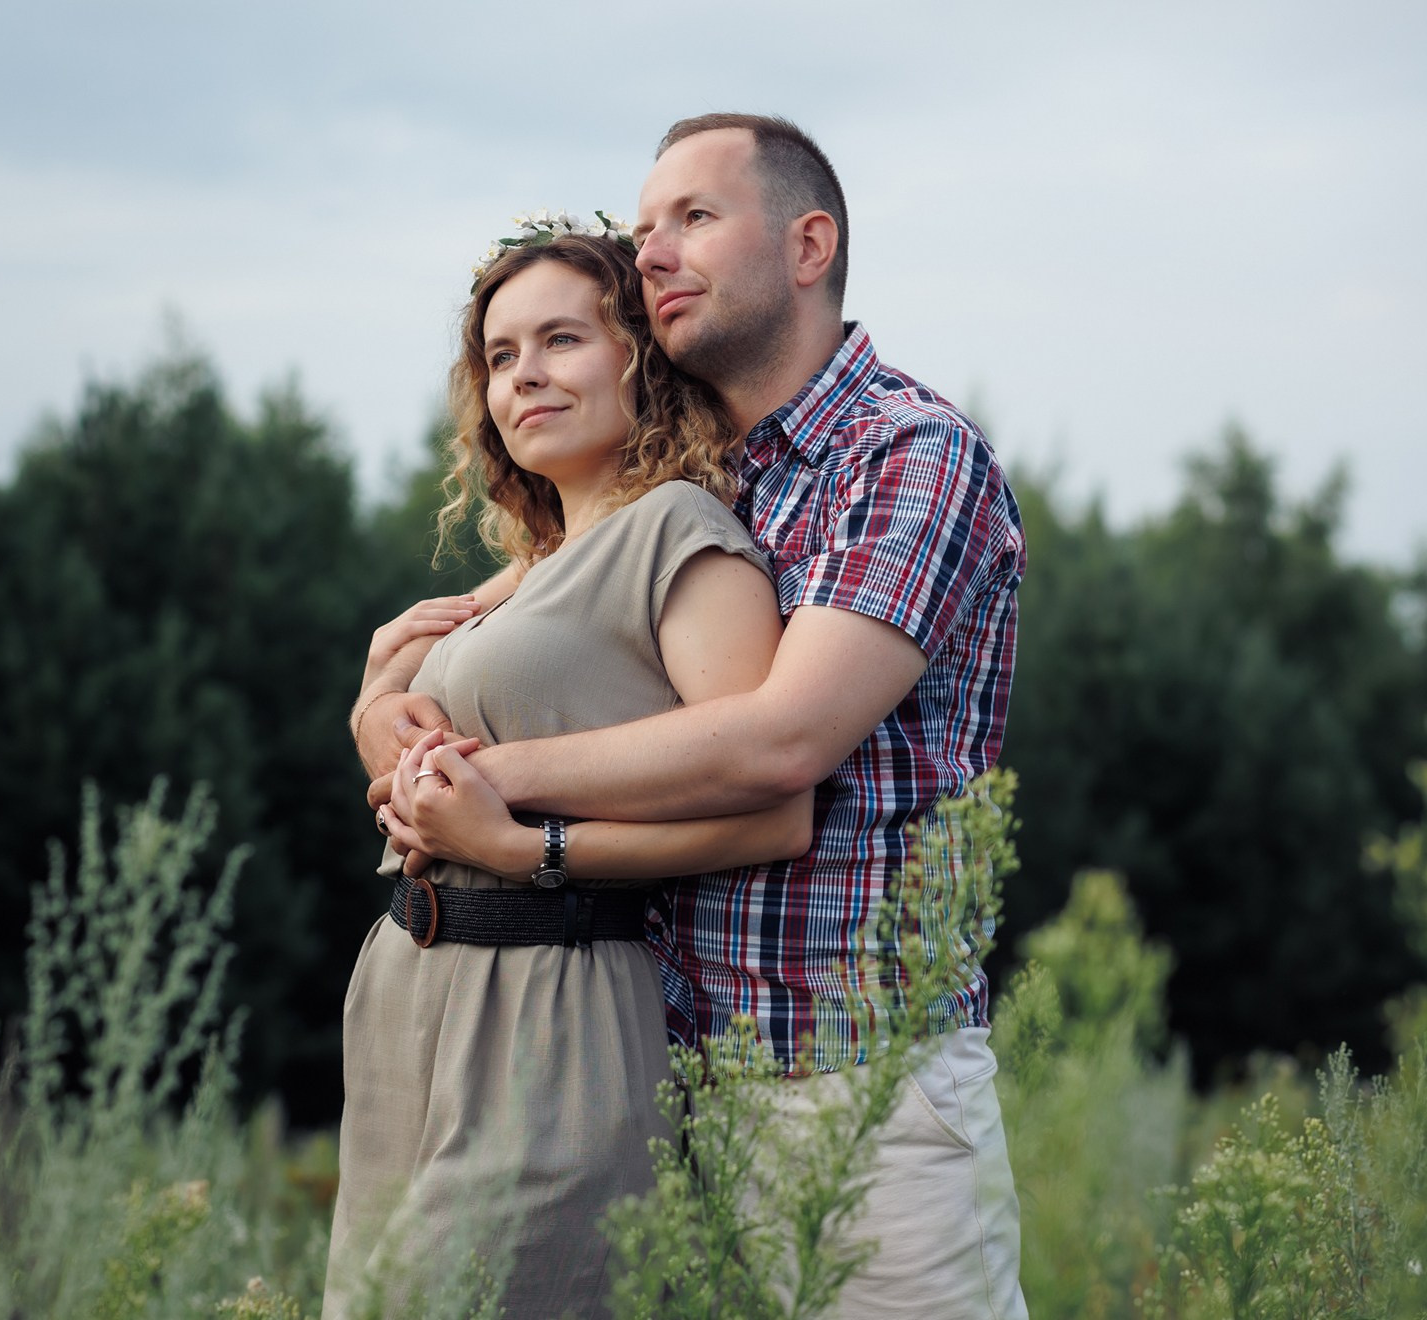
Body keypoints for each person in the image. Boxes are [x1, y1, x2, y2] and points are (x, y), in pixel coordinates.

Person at [358, 115, 1030, 1317]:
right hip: (669, 1071)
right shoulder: (710, 472)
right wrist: (389, 708)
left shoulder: (908, 456)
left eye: (694, 218)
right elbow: (518, 623)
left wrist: (502, 795)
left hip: (856, 1079)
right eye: (645, 221)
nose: (651, 247)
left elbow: (783, 743)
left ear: (809, 243)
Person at [323, 213, 814, 1319]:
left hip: (555, 999)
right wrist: (376, 707)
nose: (524, 377)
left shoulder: (680, 533)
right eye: (500, 357)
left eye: (561, 341)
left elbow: (773, 808)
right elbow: (423, 753)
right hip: (410, 987)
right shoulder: (529, 571)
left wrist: (522, 842)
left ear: (641, 357)